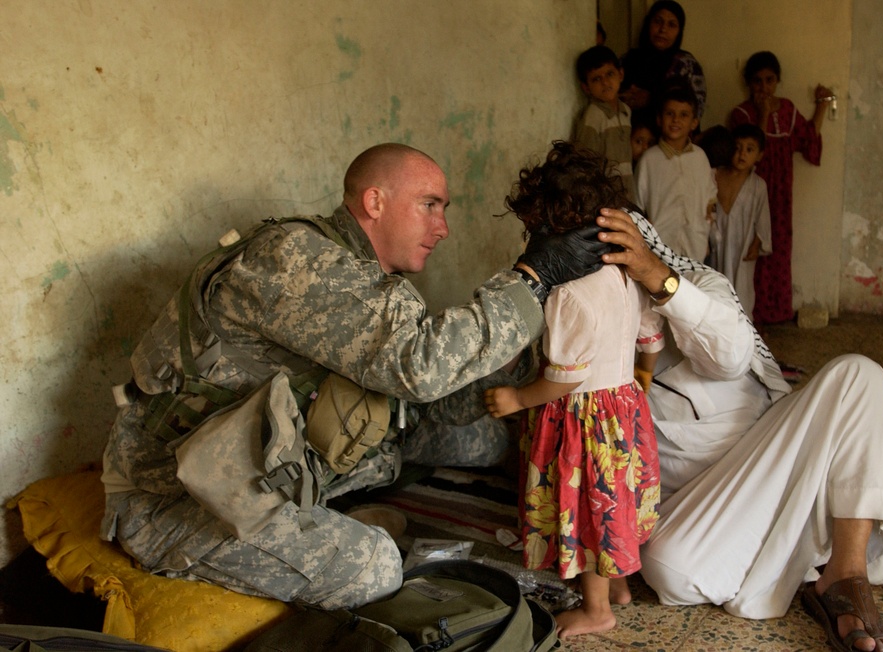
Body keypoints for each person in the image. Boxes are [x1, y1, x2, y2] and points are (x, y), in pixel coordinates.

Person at [99, 143, 610, 611]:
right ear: (375, 202)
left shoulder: (358, 270)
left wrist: (531, 360)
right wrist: (532, 278)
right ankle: (336, 532)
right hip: (181, 495)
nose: (443, 227)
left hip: (269, 454)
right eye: (430, 205)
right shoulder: (294, 260)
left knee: (483, 440)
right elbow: (419, 366)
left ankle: (333, 515)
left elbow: (428, 383)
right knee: (374, 567)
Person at [594, 207, 883, 652]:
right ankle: (799, 549)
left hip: (776, 448)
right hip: (703, 500)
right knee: (670, 567)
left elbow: (729, 354)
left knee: (858, 374)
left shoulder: (696, 284)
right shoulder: (584, 319)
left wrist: (656, 278)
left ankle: (845, 571)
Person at [484, 142, 664, 638]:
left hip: (582, 417)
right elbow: (651, 336)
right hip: (624, 404)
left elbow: (565, 376)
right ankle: (620, 584)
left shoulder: (567, 293)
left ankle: (596, 609)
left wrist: (517, 398)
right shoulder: (626, 272)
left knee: (588, 507)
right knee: (616, 499)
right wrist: (639, 379)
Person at [729, 50, 834, 324]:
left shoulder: (787, 109)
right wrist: (762, 115)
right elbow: (752, 149)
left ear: (777, 81)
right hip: (750, 189)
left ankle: (775, 312)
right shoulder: (742, 113)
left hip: (781, 190)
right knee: (751, 244)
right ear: (749, 84)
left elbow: (807, 140)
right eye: (757, 81)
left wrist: (822, 106)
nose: (763, 87)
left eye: (769, 80)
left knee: (778, 244)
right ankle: (751, 313)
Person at [634, 84, 716, 261]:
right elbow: (638, 203)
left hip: (695, 243)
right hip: (660, 244)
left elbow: (710, 196)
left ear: (694, 122)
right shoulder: (649, 159)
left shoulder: (700, 157)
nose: (676, 120)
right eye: (670, 114)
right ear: (659, 119)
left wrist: (707, 226)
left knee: (693, 285)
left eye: (684, 115)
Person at [713, 123, 772, 316]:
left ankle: (742, 335)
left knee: (742, 291)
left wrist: (757, 243)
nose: (742, 154)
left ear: (759, 155)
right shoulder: (715, 174)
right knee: (714, 285)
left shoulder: (758, 186)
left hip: (743, 246)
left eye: (749, 149)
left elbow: (762, 219)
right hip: (716, 242)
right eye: (737, 148)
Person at [619, 1, 705, 117]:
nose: (663, 29)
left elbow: (695, 113)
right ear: (648, 24)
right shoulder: (628, 59)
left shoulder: (687, 65)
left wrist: (651, 99)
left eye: (671, 25)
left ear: (679, 32)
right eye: (658, 21)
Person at [571, 45, 634, 199]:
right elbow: (584, 162)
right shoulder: (593, 115)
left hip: (626, 192)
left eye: (610, 74)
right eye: (596, 79)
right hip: (605, 196)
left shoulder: (626, 111)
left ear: (621, 74)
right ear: (586, 87)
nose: (605, 82)